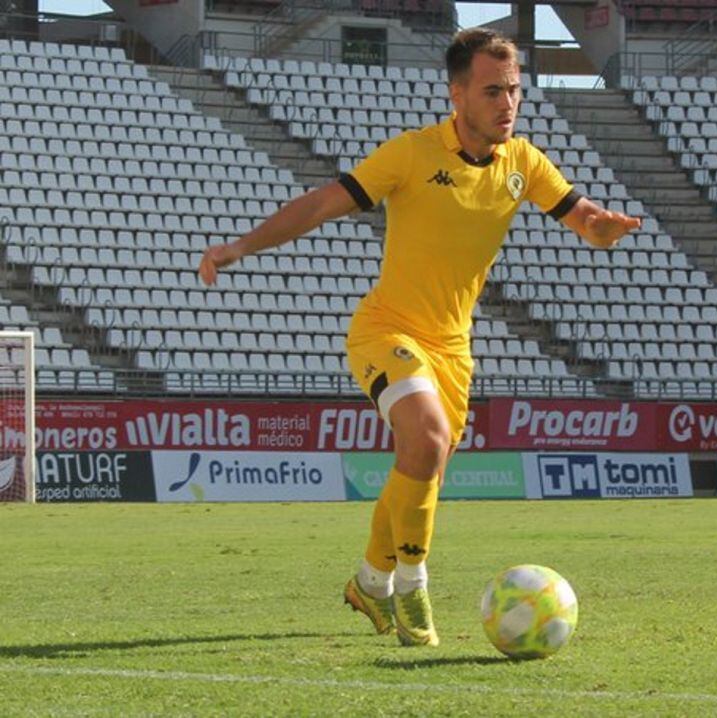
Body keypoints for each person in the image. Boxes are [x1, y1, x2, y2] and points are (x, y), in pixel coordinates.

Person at [198, 27, 641, 647]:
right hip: (387, 330)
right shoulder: (411, 154)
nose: (507, 103)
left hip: (454, 351)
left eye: (514, 90)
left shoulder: (525, 163)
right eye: (493, 91)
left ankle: (369, 583)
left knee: (420, 466)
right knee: (427, 437)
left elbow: (583, 217)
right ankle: (412, 585)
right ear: (456, 94)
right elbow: (325, 202)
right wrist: (241, 246)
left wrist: (603, 228)